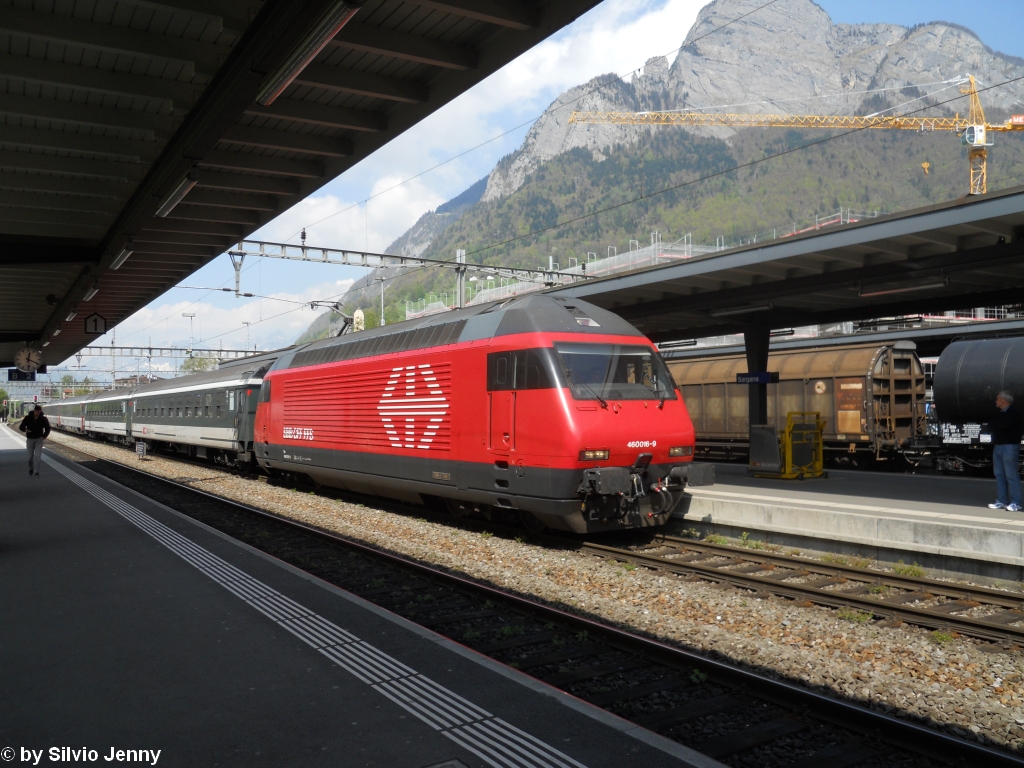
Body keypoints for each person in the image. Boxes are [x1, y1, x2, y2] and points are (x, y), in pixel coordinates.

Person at [989, 391, 1023, 512]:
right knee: (999, 474)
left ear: (1003, 400)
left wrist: (996, 425)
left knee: (1011, 474)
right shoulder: (1000, 413)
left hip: (1009, 446)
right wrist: (996, 425)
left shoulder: (1014, 412)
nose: (996, 401)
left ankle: (1016, 502)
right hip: (998, 446)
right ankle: (1002, 500)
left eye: (997, 399)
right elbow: (991, 425)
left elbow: (1001, 425)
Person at [19, 404, 50, 478]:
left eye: (39, 412)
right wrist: (25, 430)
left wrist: (44, 436)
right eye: (37, 411)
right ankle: (31, 468)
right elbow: (21, 427)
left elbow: (48, 428)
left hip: (39, 439)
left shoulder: (43, 419)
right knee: (29, 458)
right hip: (30, 439)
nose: (38, 413)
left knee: (37, 456)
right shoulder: (28, 418)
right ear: (34, 411)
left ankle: (36, 472)